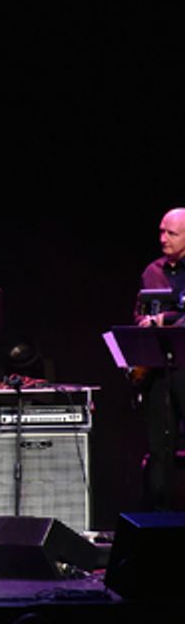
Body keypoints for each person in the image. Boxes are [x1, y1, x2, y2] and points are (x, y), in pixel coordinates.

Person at [134, 207, 185, 510]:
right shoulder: (152, 271)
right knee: (159, 452)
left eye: (172, 233)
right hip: (160, 371)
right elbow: (141, 312)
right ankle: (160, 522)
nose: (163, 238)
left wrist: (165, 319)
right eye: (161, 231)